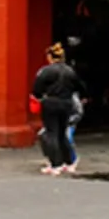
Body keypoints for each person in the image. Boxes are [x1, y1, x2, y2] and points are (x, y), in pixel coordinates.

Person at [31, 43, 84, 174]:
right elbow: (80, 87)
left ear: (50, 57)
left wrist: (40, 97)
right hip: (66, 103)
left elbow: (36, 90)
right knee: (62, 133)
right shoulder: (70, 71)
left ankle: (56, 164)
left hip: (50, 103)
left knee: (51, 133)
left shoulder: (45, 71)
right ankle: (69, 162)